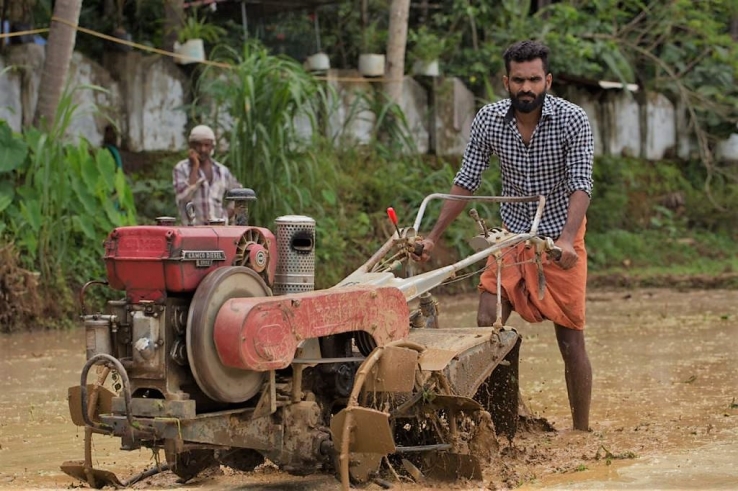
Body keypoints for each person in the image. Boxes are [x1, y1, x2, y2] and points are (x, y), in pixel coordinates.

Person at [416, 40, 594, 431]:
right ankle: (493, 422)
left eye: (534, 79)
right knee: (486, 321)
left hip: (557, 238)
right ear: (506, 82)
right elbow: (466, 182)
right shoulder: (489, 120)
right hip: (511, 237)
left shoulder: (572, 119)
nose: (526, 87)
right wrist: (431, 237)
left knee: (570, 339)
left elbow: (581, 183)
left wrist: (566, 240)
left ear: (547, 80)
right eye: (518, 80)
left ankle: (581, 431)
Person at [172, 125, 242, 225]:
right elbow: (184, 197)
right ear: (191, 146)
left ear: (212, 146)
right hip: (192, 232)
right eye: (198, 145)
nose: (203, 149)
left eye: (206, 145)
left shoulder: (222, 171)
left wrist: (226, 215)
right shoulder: (181, 168)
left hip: (218, 231)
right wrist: (195, 168)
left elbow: (240, 194)